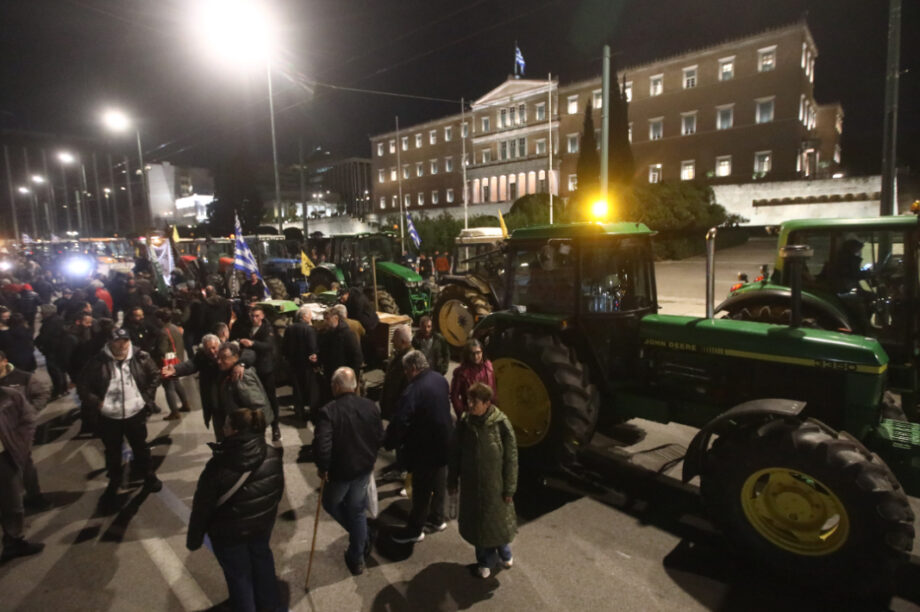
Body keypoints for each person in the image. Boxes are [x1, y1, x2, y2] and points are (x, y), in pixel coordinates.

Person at [187, 407, 284, 612]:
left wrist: (194, 538)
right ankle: (270, 605)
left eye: (226, 425)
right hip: (261, 526)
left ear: (235, 431)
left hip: (229, 532)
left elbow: (202, 506)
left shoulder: (219, 464)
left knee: (239, 576)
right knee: (263, 563)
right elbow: (277, 490)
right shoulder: (272, 454)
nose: (223, 428)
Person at [78, 328, 162, 508]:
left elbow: (155, 375)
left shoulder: (141, 357)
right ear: (110, 343)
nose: (122, 345)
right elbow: (83, 387)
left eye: (125, 341)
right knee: (112, 452)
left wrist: (145, 398)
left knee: (141, 447)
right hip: (110, 416)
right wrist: (97, 402)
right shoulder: (97, 362)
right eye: (118, 342)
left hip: (135, 413)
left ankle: (149, 476)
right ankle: (114, 481)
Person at [314, 367, 383, 576]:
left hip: (341, 472)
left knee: (331, 502)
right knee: (357, 510)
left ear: (336, 386)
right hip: (363, 468)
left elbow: (322, 444)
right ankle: (357, 556)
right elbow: (379, 436)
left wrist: (323, 467)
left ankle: (361, 538)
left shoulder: (329, 411)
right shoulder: (370, 406)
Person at [448, 382, 518, 578]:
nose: (470, 405)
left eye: (475, 402)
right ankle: (484, 562)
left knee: (496, 524)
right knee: (478, 526)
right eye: (468, 401)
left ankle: (505, 553)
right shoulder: (465, 423)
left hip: (495, 487)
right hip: (472, 487)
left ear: (487, 403)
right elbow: (455, 453)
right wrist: (452, 481)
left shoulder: (501, 424)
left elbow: (511, 459)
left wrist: (509, 489)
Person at [386, 350, 453, 544]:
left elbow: (401, 420)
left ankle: (415, 530)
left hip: (425, 447)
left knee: (421, 490)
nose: (406, 374)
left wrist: (389, 441)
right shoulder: (440, 379)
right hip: (445, 442)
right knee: (439, 481)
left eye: (406, 370)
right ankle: (438, 519)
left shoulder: (414, 389)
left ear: (413, 368)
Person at [0, 350, 51, 511]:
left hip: (16, 434)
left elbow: (42, 395)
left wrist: (30, 414)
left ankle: (35, 497)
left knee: (26, 467)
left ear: (4, 361)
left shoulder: (23, 378)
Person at [0, 385, 44, 562]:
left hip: (4, 456)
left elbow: (28, 419)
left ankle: (13, 541)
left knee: (12, 501)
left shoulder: (9, 395)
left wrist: (21, 446)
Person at [231, 305, 281, 441]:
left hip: (265, 368)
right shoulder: (247, 327)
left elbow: (268, 346)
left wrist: (252, 343)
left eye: (257, 316)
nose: (254, 318)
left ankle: (275, 426)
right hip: (251, 367)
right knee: (253, 399)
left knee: (271, 397)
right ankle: (256, 427)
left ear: (262, 316)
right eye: (252, 316)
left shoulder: (267, 329)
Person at [216, 342, 273, 430]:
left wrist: (250, 429)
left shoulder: (240, 375)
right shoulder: (228, 372)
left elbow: (257, 405)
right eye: (218, 358)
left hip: (248, 428)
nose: (219, 361)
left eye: (224, 358)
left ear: (235, 357)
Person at [317, 304, 362, 405]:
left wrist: (353, 376)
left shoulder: (347, 334)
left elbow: (356, 357)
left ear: (336, 318)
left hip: (344, 376)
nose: (325, 322)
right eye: (324, 319)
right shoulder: (326, 333)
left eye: (327, 319)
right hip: (331, 374)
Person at [282, 305, 319, 423]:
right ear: (304, 317)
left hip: (294, 363)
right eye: (310, 315)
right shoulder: (309, 330)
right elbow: (313, 347)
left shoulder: (289, 329)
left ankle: (299, 412)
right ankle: (312, 412)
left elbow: (285, 347)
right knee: (310, 389)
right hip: (307, 365)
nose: (311, 317)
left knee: (297, 389)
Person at [153, 308, 191, 421]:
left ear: (160, 319)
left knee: (168, 386)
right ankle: (185, 404)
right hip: (178, 360)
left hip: (168, 363)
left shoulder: (163, 332)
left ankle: (174, 412)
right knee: (176, 382)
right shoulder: (174, 327)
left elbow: (162, 350)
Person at [450, 339, 496, 419]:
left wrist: (495, 410)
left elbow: (494, 390)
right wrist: (462, 414)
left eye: (478, 352)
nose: (475, 357)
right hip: (470, 413)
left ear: (482, 352)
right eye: (472, 353)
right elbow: (454, 396)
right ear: (467, 354)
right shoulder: (461, 372)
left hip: (489, 412)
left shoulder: (488, 366)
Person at [35, 304, 68, 399]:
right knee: (60, 371)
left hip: (52, 351)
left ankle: (57, 391)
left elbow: (45, 337)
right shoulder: (59, 319)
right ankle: (63, 389)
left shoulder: (49, 323)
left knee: (54, 372)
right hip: (59, 350)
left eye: (42, 312)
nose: (40, 314)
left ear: (47, 313)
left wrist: (38, 344)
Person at [379, 325, 412, 421]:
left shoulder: (409, 361)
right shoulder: (398, 354)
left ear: (403, 342)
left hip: (398, 412)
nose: (392, 341)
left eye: (395, 339)